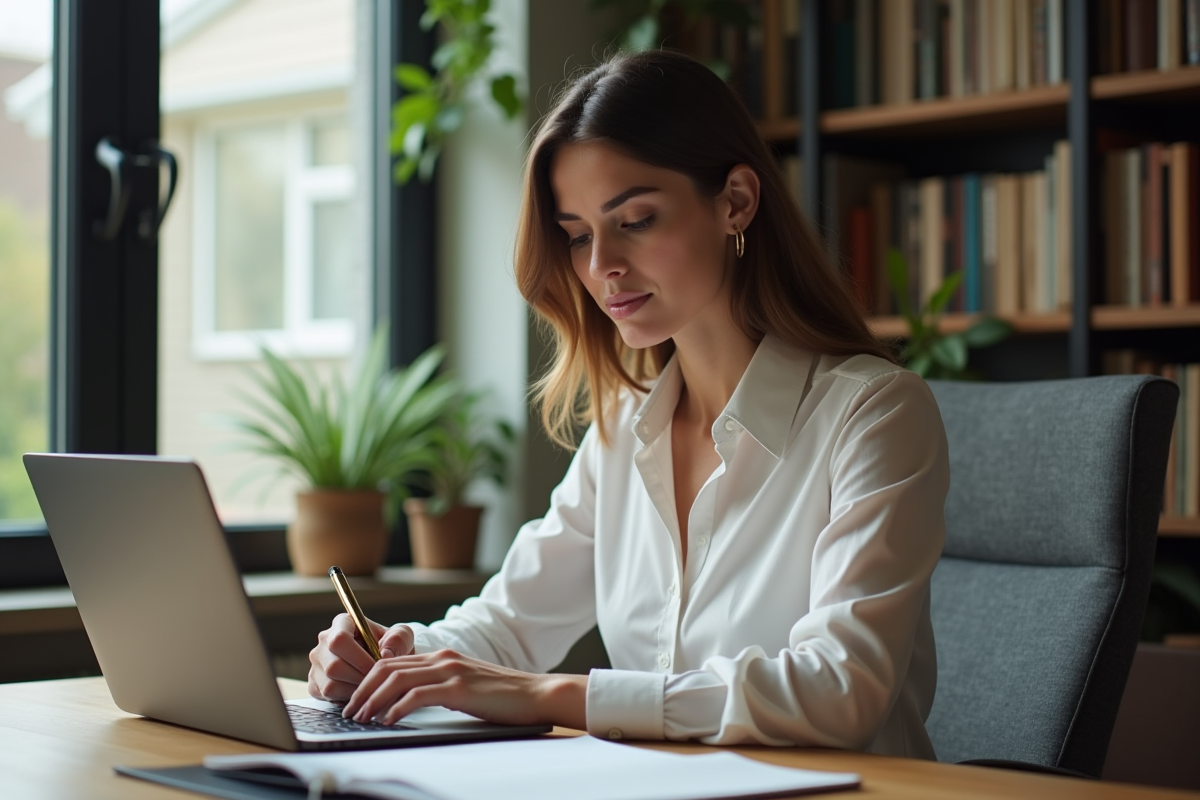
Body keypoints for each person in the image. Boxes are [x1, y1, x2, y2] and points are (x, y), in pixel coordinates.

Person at [308, 49, 949, 758]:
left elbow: (840, 690)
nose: (600, 266)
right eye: (579, 234)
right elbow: (507, 625)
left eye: (635, 220)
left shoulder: (874, 413)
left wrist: (549, 696)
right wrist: (392, 655)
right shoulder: (623, 427)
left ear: (735, 200)